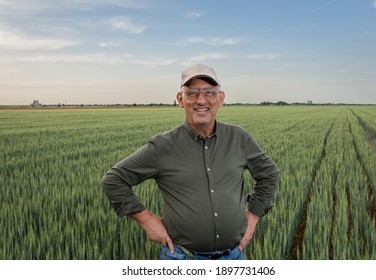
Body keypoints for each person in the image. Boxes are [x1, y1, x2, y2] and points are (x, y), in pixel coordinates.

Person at [101, 63, 280, 260]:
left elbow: (269, 174)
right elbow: (113, 180)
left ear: (221, 99)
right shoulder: (163, 146)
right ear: (180, 99)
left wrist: (253, 216)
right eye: (192, 93)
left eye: (210, 93)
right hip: (181, 258)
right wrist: (147, 220)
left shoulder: (239, 138)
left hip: (233, 257)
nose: (201, 100)